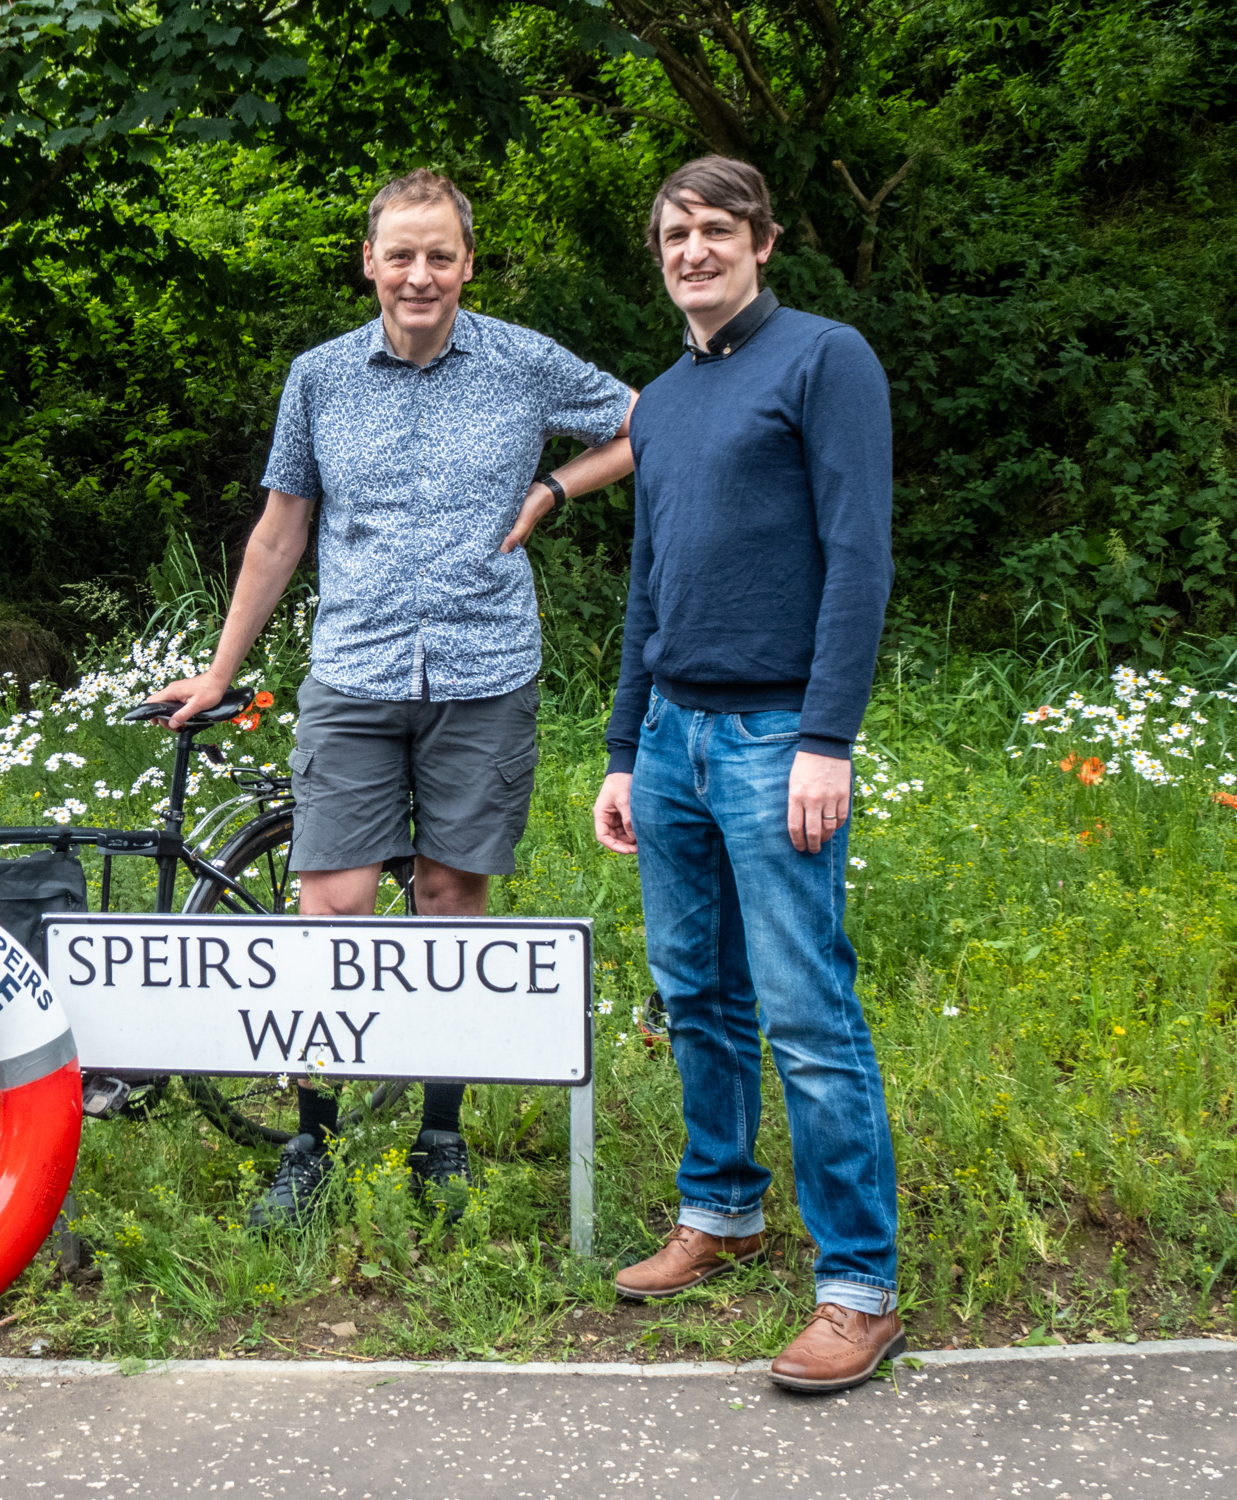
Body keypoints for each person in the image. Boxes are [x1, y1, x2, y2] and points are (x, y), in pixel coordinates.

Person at [155, 168, 637, 1229]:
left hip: (484, 671)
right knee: (330, 912)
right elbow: (280, 530)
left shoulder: (520, 363)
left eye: (439, 255)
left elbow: (655, 422)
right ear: (367, 261)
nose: (419, 274)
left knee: (448, 905)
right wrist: (224, 670)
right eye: (399, 254)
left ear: (466, 264)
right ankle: (312, 1137)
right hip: (355, 674)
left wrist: (557, 487)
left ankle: (439, 1135)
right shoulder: (318, 378)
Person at [594, 156, 902, 1393]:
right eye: (673, 233)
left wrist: (827, 737)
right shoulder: (660, 400)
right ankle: (718, 1211)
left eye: (716, 230)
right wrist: (622, 750)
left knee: (805, 1013)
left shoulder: (827, 361)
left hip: (779, 738)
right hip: (671, 736)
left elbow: (858, 553)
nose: (691, 250)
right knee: (694, 995)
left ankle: (857, 1288)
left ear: (762, 243)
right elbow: (645, 588)